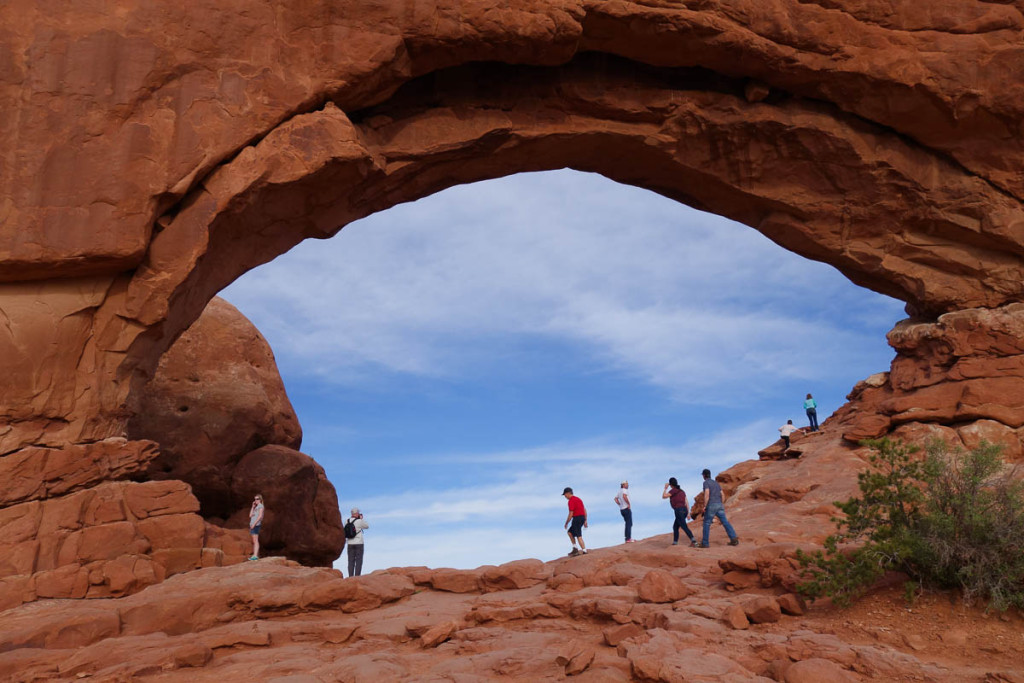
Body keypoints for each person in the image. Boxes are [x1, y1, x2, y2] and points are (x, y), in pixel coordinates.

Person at [698, 469, 739, 548]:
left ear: (704, 475)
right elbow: (722, 495)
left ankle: (705, 543)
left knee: (706, 523)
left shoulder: (706, 482)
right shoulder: (716, 483)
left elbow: (707, 494)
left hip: (711, 505)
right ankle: (733, 539)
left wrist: (705, 506)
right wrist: (721, 504)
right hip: (719, 504)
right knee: (725, 522)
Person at [662, 477, 696, 547]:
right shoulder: (682, 491)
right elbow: (686, 502)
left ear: (671, 484)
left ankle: (694, 541)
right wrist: (688, 513)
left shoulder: (673, 490)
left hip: (679, 510)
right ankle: (675, 542)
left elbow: (664, 496)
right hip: (684, 510)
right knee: (675, 526)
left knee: (684, 526)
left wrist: (665, 488)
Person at [562, 487, 588, 556]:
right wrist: (585, 520)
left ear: (568, 493)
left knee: (578, 535)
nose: (564, 496)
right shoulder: (579, 499)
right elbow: (584, 510)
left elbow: (571, 513)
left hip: (577, 518)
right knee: (570, 532)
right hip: (582, 518)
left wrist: (566, 523)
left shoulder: (571, 501)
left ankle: (584, 550)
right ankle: (575, 548)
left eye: (564, 494)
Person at [346, 507, 369, 577]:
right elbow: (367, 526)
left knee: (350, 561)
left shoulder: (346, 521)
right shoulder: (359, 521)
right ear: (356, 514)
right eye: (358, 513)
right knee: (359, 560)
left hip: (349, 543)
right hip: (359, 543)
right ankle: (357, 577)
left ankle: (350, 576)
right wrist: (361, 518)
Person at [248, 494, 264, 561]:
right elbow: (250, 515)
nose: (256, 500)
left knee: (256, 540)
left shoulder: (261, 506)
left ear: (260, 500)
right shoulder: (256, 507)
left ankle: (255, 555)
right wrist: (253, 507)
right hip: (252, 524)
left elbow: (260, 516)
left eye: (257, 499)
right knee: (254, 541)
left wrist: (254, 524)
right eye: (255, 499)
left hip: (256, 525)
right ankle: (254, 555)